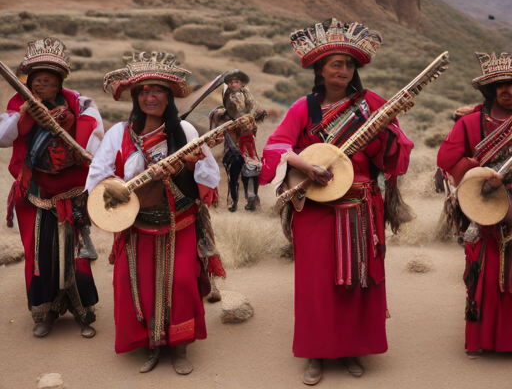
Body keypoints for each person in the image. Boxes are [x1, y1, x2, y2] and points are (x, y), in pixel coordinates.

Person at [259, 19, 413, 384]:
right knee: (316, 284)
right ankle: (315, 353)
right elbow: (276, 147)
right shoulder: (304, 108)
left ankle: (349, 350)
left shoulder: (372, 104)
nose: (343, 70)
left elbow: (398, 152)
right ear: (320, 69)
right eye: (335, 64)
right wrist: (303, 164)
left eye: (349, 64)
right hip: (316, 210)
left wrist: (385, 131)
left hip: (361, 206)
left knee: (358, 280)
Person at [85, 51, 224, 374]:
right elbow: (97, 178)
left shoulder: (187, 133)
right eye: (144, 91)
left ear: (168, 96)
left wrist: (194, 163)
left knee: (181, 284)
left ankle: (180, 349)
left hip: (180, 224)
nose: (151, 97)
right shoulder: (119, 133)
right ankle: (151, 344)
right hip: (137, 226)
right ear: (136, 97)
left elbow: (210, 178)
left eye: (158, 90)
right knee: (137, 285)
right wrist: (126, 189)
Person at [0, 38, 104, 338]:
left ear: (59, 84)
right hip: (36, 194)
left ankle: (83, 311)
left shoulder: (80, 105)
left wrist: (74, 132)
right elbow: (5, 137)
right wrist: (24, 115)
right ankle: (46, 312)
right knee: (40, 253)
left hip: (71, 194)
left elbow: (93, 138)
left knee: (75, 253)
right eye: (36, 80)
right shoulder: (19, 106)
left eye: (47, 80)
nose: (40, 85)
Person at [437, 51, 512, 358]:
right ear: (490, 90)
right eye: (501, 85)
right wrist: (479, 172)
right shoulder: (470, 123)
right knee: (485, 268)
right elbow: (447, 160)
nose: (508, 91)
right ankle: (485, 338)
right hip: (483, 204)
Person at [209, 70, 264, 212]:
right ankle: (232, 202)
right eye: (231, 82)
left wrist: (249, 118)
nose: (234, 84)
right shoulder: (227, 96)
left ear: (242, 83)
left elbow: (254, 108)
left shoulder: (247, 95)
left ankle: (252, 199)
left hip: (246, 137)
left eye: (236, 82)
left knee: (251, 169)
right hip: (232, 137)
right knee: (232, 170)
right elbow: (228, 111)